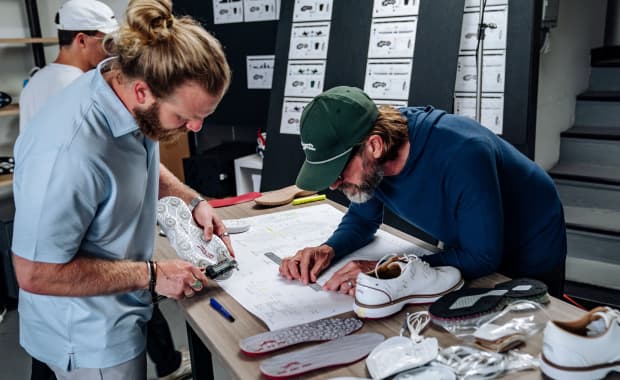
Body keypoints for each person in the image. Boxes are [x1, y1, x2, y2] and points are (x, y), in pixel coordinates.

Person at [12, 0, 232, 379]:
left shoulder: (123, 93)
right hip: (87, 337)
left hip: (120, 311)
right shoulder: (69, 152)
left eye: (202, 117)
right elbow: (34, 273)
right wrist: (151, 274)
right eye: (184, 117)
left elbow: (137, 158)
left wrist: (190, 198)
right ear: (144, 92)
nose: (194, 129)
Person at [279, 86, 567, 298]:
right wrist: (330, 249)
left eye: (339, 170)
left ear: (375, 146)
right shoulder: (372, 158)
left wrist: (386, 268)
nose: (334, 184)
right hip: (472, 242)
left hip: (531, 242)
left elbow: (482, 257)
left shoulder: (462, 152)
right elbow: (363, 220)